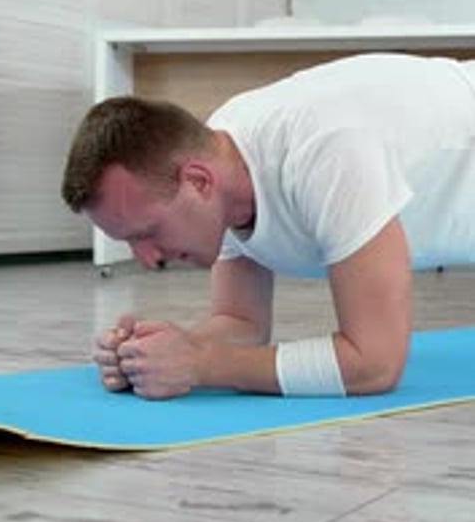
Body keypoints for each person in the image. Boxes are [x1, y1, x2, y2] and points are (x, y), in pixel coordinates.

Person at [61, 52, 475, 400]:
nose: (146, 258)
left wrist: (203, 364)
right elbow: (241, 323)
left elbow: (375, 366)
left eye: (146, 232)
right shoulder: (220, 161)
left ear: (198, 182)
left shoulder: (327, 152)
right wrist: (155, 355)